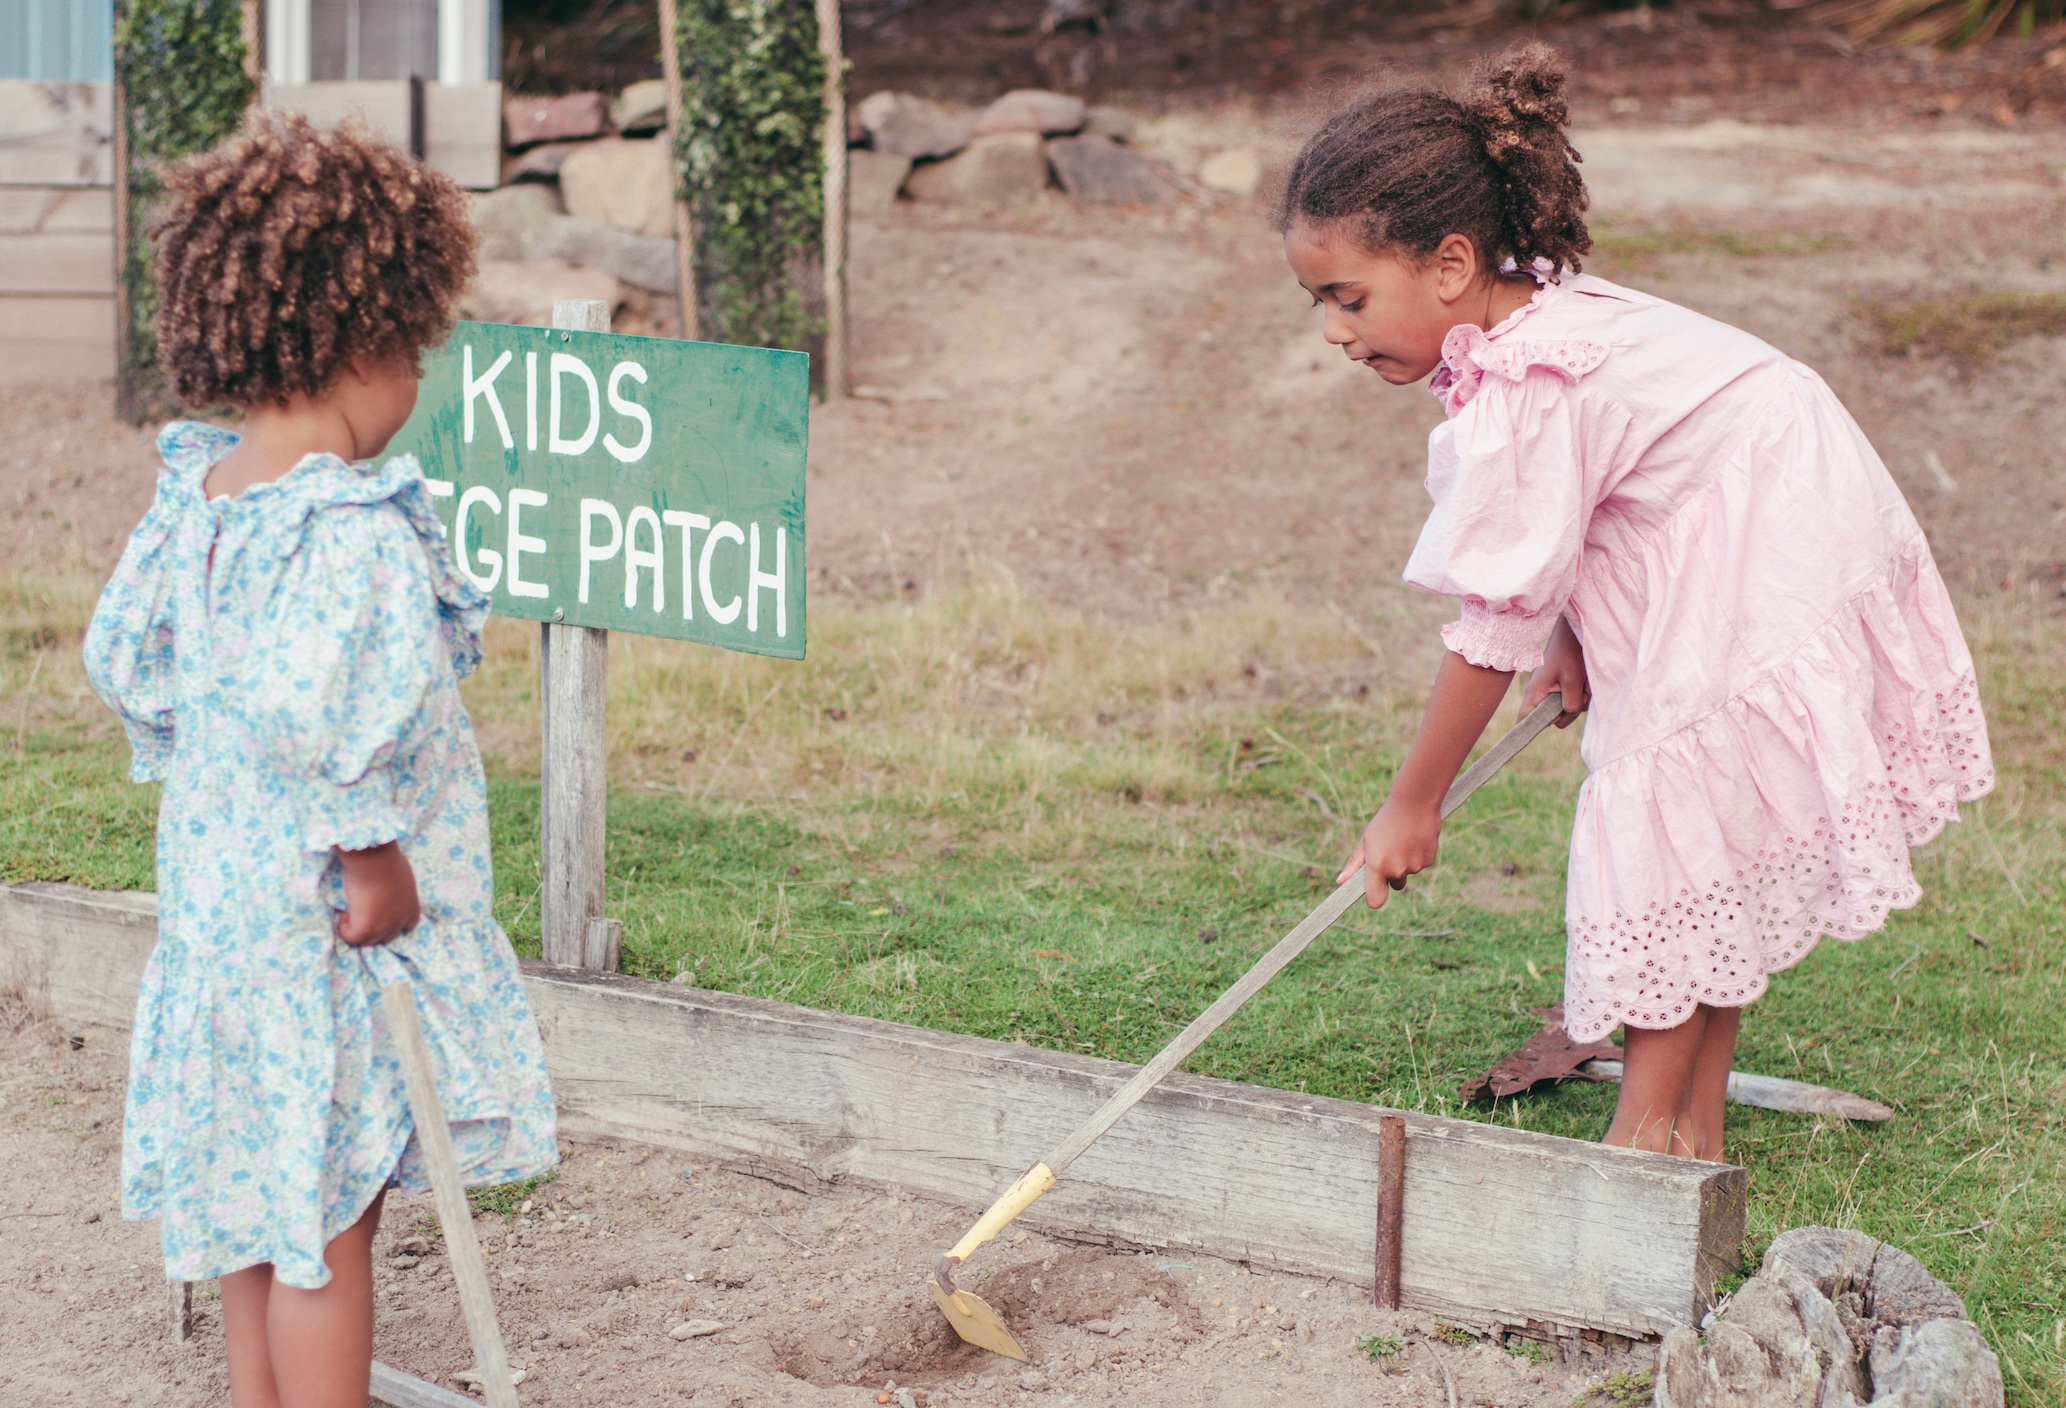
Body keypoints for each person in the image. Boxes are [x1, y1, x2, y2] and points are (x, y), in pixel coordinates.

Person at [1280, 45, 1992, 1161]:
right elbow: (1570, 521)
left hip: (1768, 518)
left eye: (1348, 297)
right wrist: (1573, 639)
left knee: (1662, 802)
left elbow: (1490, 624)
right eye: (1321, 301)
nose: (1333, 329)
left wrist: (1410, 805)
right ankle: (1690, 1136)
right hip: (1776, 482)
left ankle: (1643, 1139)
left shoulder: (1523, 381)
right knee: (1694, 818)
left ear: (1451, 263)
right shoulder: (1528, 327)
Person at [83, 113, 557, 1407]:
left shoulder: (202, 498)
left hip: (221, 918)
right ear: (360, 347)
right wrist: (375, 854)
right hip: (317, 927)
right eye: (415, 353)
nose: (416, 386)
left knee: (257, 1190)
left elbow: (129, 658)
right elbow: (331, 710)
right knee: (329, 1219)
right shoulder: (349, 527)